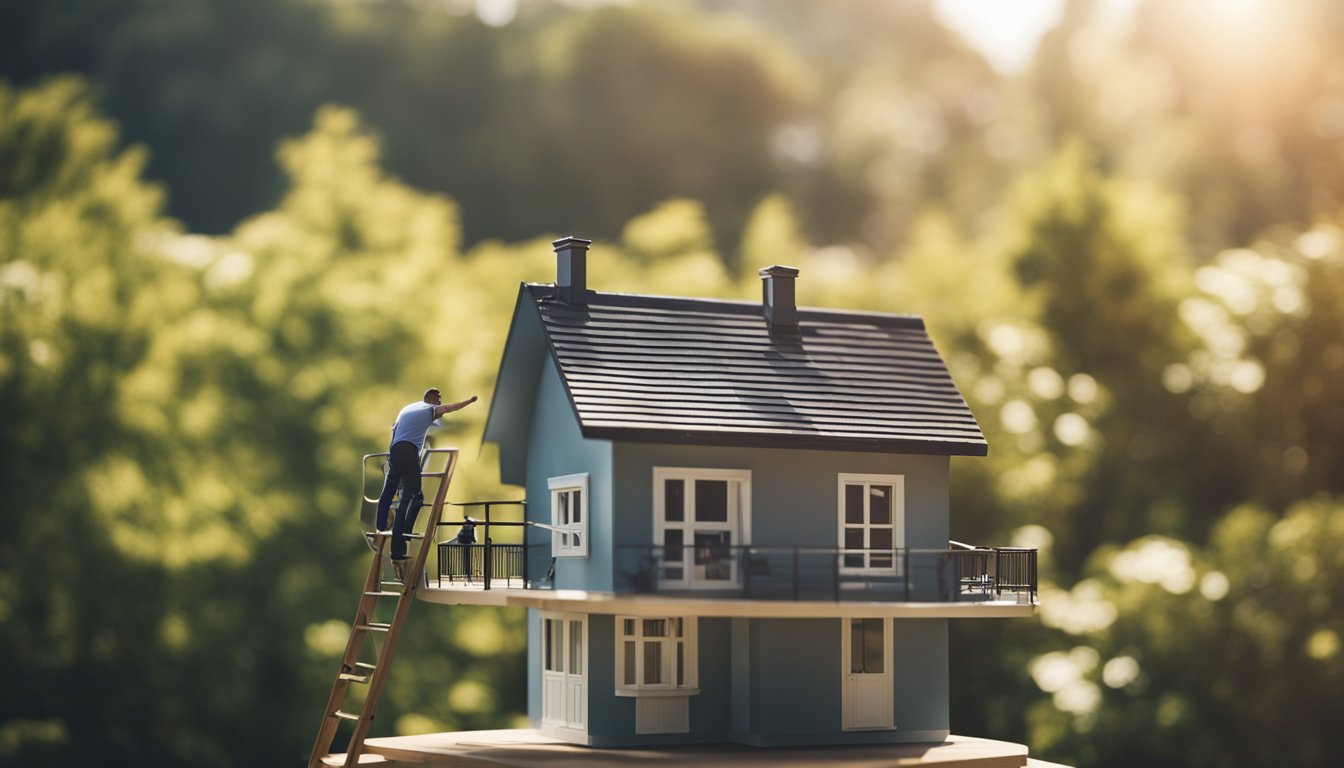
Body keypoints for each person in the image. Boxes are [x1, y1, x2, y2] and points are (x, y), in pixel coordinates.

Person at [376, 388, 477, 566]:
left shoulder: (407, 409)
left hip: (395, 450)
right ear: (430, 399)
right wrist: (469, 401)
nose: (440, 403)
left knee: (389, 490)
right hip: (408, 452)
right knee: (413, 496)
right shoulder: (428, 409)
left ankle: (381, 526)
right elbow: (448, 408)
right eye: (438, 399)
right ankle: (400, 546)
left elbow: (394, 428)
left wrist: (392, 458)